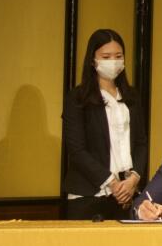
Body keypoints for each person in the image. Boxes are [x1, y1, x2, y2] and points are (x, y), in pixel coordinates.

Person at [62, 28, 148, 220]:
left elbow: (141, 142)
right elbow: (77, 150)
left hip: (127, 194)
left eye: (118, 56)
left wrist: (134, 178)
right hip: (89, 196)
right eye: (106, 57)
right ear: (93, 60)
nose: (113, 61)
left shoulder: (131, 96)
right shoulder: (78, 98)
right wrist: (112, 183)